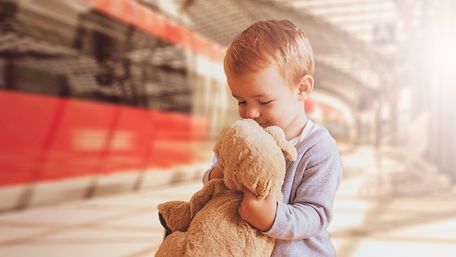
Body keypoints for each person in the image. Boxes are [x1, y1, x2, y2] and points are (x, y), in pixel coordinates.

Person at [202, 19, 342, 257]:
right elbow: (211, 178)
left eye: (264, 101)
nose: (250, 113)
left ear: (302, 89)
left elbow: (317, 214)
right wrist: (217, 174)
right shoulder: (242, 137)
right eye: (241, 101)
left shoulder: (318, 148)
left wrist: (273, 218)